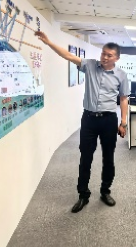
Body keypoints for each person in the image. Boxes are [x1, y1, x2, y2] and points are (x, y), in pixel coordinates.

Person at [35, 31, 129, 212]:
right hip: (89, 120)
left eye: (109, 55)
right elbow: (68, 55)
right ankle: (83, 195)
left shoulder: (122, 75)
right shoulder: (90, 65)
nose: (104, 57)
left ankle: (105, 191)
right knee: (85, 157)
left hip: (109, 120)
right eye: (103, 53)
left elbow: (123, 98)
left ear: (116, 58)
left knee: (108, 158)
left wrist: (123, 122)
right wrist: (48, 42)